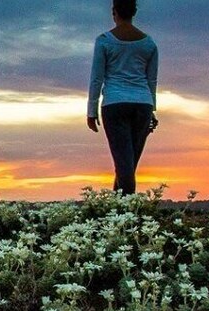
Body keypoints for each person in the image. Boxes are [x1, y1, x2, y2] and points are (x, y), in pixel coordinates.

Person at [86, 0, 159, 194]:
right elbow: (152, 80)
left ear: (114, 12)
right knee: (128, 163)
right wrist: (152, 109)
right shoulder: (149, 43)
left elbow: (97, 78)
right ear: (134, 12)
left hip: (114, 104)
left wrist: (91, 111)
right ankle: (118, 212)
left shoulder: (104, 40)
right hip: (142, 104)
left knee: (124, 164)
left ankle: (127, 211)